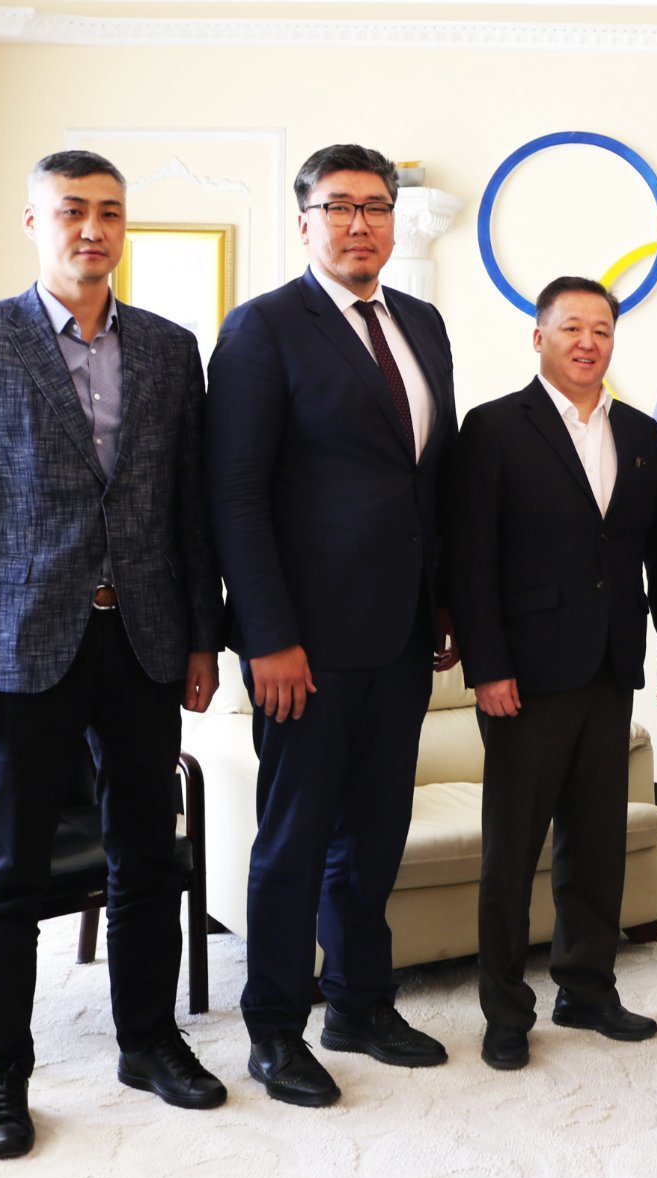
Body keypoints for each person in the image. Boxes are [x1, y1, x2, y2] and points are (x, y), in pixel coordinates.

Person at [0, 149, 227, 1157]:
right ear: (34, 222)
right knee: (8, 874)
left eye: (110, 213)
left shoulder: (171, 348)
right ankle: (1, 1076)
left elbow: (189, 509)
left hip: (143, 640)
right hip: (19, 648)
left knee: (149, 855)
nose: (93, 228)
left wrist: (203, 636)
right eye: (72, 211)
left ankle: (148, 1040)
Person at [205, 143, 459, 1105]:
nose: (361, 223)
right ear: (305, 219)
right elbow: (235, 496)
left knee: (377, 831)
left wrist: (442, 603)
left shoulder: (422, 323)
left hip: (399, 634)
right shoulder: (263, 328)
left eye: (376, 206)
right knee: (295, 842)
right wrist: (266, 635)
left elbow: (426, 478)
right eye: (340, 206)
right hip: (302, 646)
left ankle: (359, 1001)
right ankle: (275, 1030)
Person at [449, 277, 657, 1070]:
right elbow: (472, 559)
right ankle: (504, 1009)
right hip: (524, 673)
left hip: (610, 663)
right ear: (539, 336)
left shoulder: (640, 431)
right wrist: (488, 667)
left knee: (595, 841)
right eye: (570, 328)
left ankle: (587, 988)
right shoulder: (493, 427)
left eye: (601, 329)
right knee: (512, 849)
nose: (588, 342)